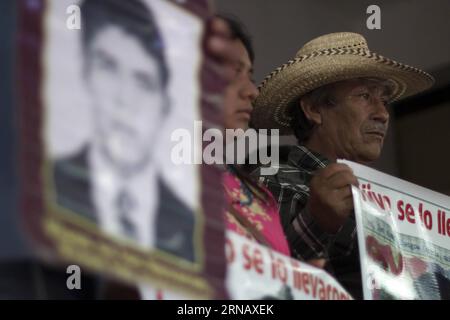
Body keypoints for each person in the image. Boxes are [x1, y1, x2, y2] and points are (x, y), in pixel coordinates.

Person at [251, 32, 434, 298]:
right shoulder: (274, 180)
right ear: (314, 110)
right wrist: (317, 222)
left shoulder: (386, 205)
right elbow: (262, 283)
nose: (382, 113)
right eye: (363, 96)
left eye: (383, 99)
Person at [52, 0, 195, 261]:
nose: (124, 98)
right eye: (108, 68)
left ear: (165, 106)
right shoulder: (44, 187)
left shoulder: (195, 232)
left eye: (144, 81)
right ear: (86, 74)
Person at [216, 15, 290, 256]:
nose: (252, 92)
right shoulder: (147, 175)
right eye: (233, 74)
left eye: (250, 77)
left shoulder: (260, 196)